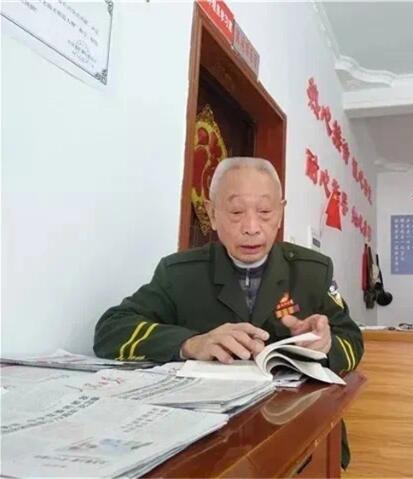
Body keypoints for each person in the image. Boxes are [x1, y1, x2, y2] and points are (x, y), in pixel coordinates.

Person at [93, 156, 363, 467]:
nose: (251, 228)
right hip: (206, 441)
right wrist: (190, 344)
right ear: (212, 214)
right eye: (236, 212)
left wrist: (326, 345)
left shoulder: (312, 271)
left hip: (301, 433)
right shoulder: (179, 274)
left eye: (265, 212)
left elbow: (352, 340)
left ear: (280, 213)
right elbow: (110, 331)